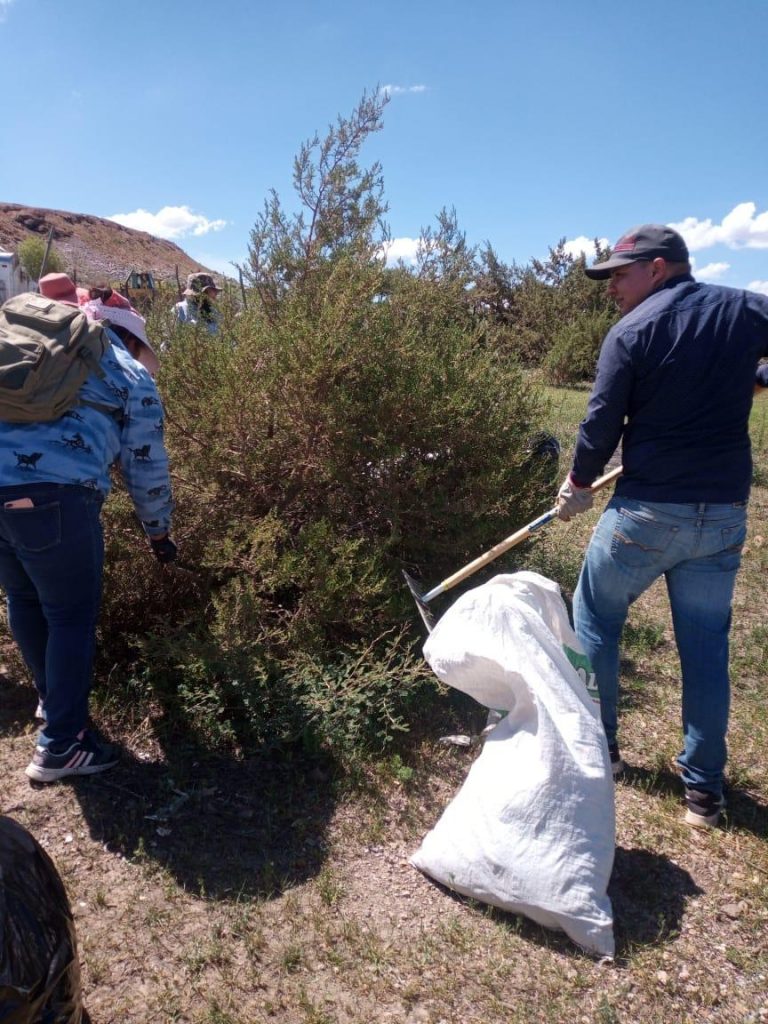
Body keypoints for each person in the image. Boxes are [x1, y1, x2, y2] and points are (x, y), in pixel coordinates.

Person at [556, 223, 768, 828]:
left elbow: (599, 425)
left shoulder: (631, 332)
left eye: (619, 275)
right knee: (706, 648)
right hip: (722, 515)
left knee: (595, 618)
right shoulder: (747, 309)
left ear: (657, 267)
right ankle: (704, 792)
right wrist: (754, 377)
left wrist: (576, 485)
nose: (611, 289)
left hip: (645, 515)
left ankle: (601, 749)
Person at [0, 290, 176, 783]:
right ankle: (62, 745)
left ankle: (54, 704)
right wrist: (159, 532)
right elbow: (147, 468)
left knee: (24, 597)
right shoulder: (128, 372)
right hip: (55, 498)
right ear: (131, 338)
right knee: (70, 616)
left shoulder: (29, 349)